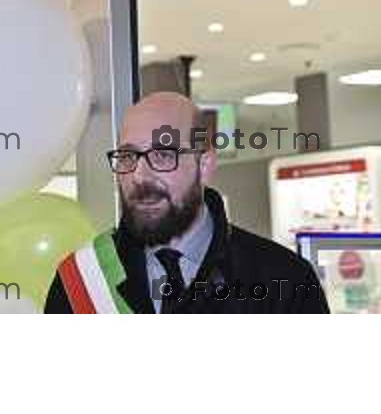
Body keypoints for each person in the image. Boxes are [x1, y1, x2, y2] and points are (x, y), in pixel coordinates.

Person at [45, 91, 329, 314]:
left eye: (163, 156)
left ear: (204, 164)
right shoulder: (80, 281)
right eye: (129, 156)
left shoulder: (285, 280)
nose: (139, 176)